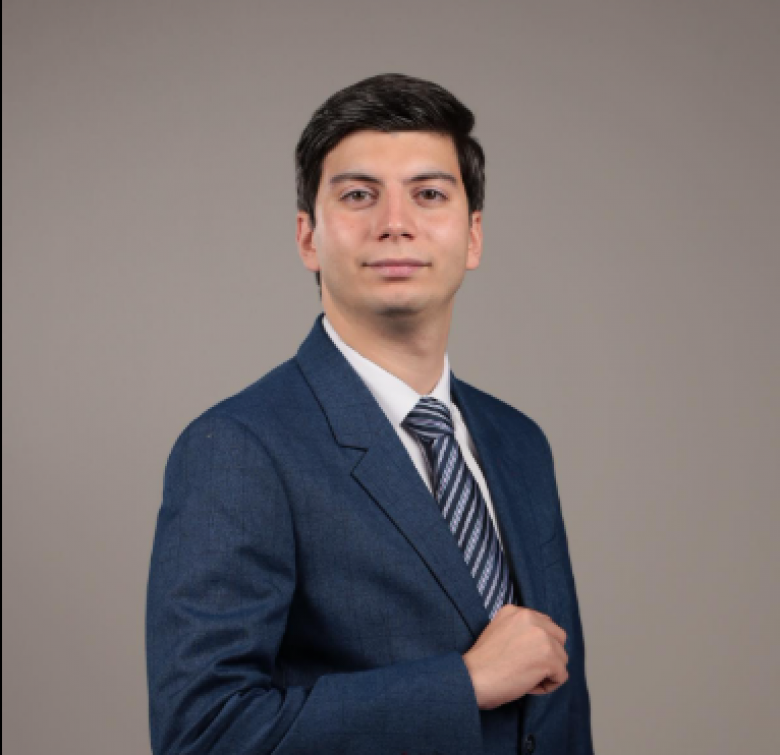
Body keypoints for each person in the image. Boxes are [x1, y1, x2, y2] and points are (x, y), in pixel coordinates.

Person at [146, 73, 594, 755]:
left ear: (473, 236)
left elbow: (558, 714)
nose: (395, 222)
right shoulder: (237, 448)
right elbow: (204, 734)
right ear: (308, 237)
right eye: (359, 195)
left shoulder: (519, 442)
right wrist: (464, 683)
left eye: (429, 194)